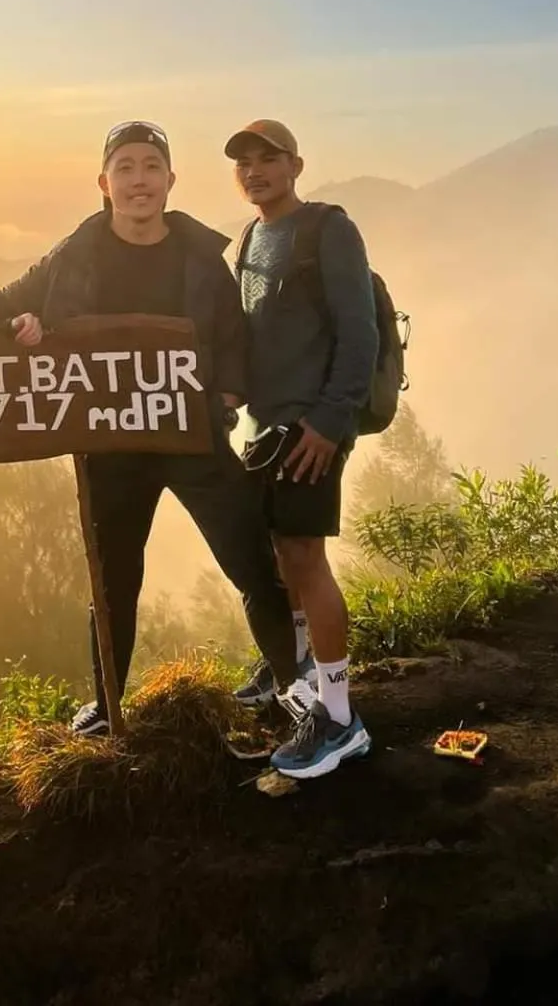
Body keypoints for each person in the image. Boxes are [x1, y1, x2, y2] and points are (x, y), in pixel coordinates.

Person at [0, 121, 305, 736]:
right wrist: (2, 318)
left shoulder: (203, 259)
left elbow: (233, 339)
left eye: (151, 167)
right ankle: (108, 708)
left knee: (253, 565)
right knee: (113, 582)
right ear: (104, 183)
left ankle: (293, 690)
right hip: (111, 449)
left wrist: (225, 394)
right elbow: (6, 301)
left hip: (194, 441)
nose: (138, 180)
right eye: (125, 167)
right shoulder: (72, 256)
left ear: (170, 180)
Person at [226, 119, 379, 779]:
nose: (256, 170)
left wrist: (330, 420)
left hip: (312, 425)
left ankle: (340, 717)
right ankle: (293, 668)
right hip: (269, 426)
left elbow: (360, 331)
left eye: (270, 158)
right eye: (245, 163)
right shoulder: (251, 237)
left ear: (296, 165)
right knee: (280, 555)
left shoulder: (327, 228)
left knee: (306, 560)